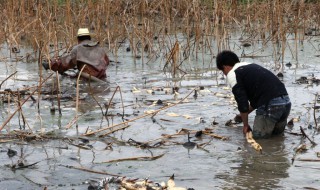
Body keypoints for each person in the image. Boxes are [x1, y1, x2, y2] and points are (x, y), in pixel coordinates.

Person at [216, 50, 291, 138]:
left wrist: (245, 125)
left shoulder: (233, 74)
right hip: (286, 103)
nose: (224, 74)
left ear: (225, 67)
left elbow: (242, 103)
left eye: (222, 70)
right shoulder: (251, 66)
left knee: (259, 139)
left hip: (271, 106)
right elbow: (259, 98)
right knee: (277, 139)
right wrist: (244, 114)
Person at [44, 28, 109, 80]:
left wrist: (50, 65)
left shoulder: (77, 49)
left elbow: (66, 64)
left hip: (87, 80)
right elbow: (107, 62)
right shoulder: (100, 49)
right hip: (102, 79)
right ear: (89, 38)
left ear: (78, 39)